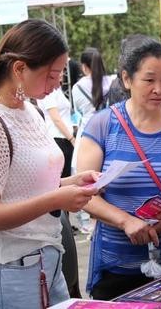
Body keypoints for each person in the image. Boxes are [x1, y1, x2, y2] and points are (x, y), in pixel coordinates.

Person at [0, 19, 98, 308]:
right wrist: (57, 197)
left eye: (59, 75)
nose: (55, 84)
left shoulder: (31, 111)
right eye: (50, 75)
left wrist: (71, 184)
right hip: (8, 269)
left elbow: (23, 187)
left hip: (44, 260)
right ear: (19, 68)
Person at [77, 38, 161, 300]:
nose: (159, 89)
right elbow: (84, 193)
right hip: (118, 266)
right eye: (149, 80)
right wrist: (126, 221)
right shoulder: (102, 125)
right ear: (127, 79)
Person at [71, 47, 111, 234]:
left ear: (84, 66)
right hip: (109, 128)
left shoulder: (78, 86)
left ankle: (90, 220)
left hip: (88, 130)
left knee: (86, 175)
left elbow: (78, 109)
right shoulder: (110, 81)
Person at [37, 86, 75, 178]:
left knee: (66, 176)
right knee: (62, 178)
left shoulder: (57, 90)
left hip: (64, 138)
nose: (61, 73)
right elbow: (56, 119)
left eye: (62, 71)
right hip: (58, 139)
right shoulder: (48, 92)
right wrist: (72, 138)